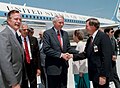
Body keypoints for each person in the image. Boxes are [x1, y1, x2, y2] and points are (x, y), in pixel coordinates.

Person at [70, 18, 113, 88]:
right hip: (94, 74)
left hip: (101, 74)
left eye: (87, 26)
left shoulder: (103, 37)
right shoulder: (90, 39)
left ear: (93, 26)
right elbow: (86, 54)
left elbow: (106, 58)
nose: (85, 28)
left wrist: (103, 75)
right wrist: (72, 56)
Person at [43, 15, 78, 88]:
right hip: (53, 68)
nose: (62, 24)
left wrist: (78, 52)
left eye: (63, 23)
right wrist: (61, 55)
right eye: (60, 23)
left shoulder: (65, 33)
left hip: (64, 67)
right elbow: (46, 49)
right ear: (54, 23)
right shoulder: (47, 33)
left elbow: (68, 48)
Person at [0, 10, 24, 88]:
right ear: (9, 21)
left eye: (20, 20)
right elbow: (5, 62)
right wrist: (14, 83)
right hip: (10, 82)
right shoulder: (4, 35)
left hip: (18, 78)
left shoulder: (15, 35)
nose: (18, 21)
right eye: (16, 19)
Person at [19, 23, 41, 88]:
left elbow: (37, 55)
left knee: (33, 82)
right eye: (24, 30)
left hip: (32, 64)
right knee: (24, 83)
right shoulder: (17, 40)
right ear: (20, 31)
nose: (26, 31)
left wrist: (38, 68)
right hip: (22, 65)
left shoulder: (34, 40)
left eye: (27, 30)